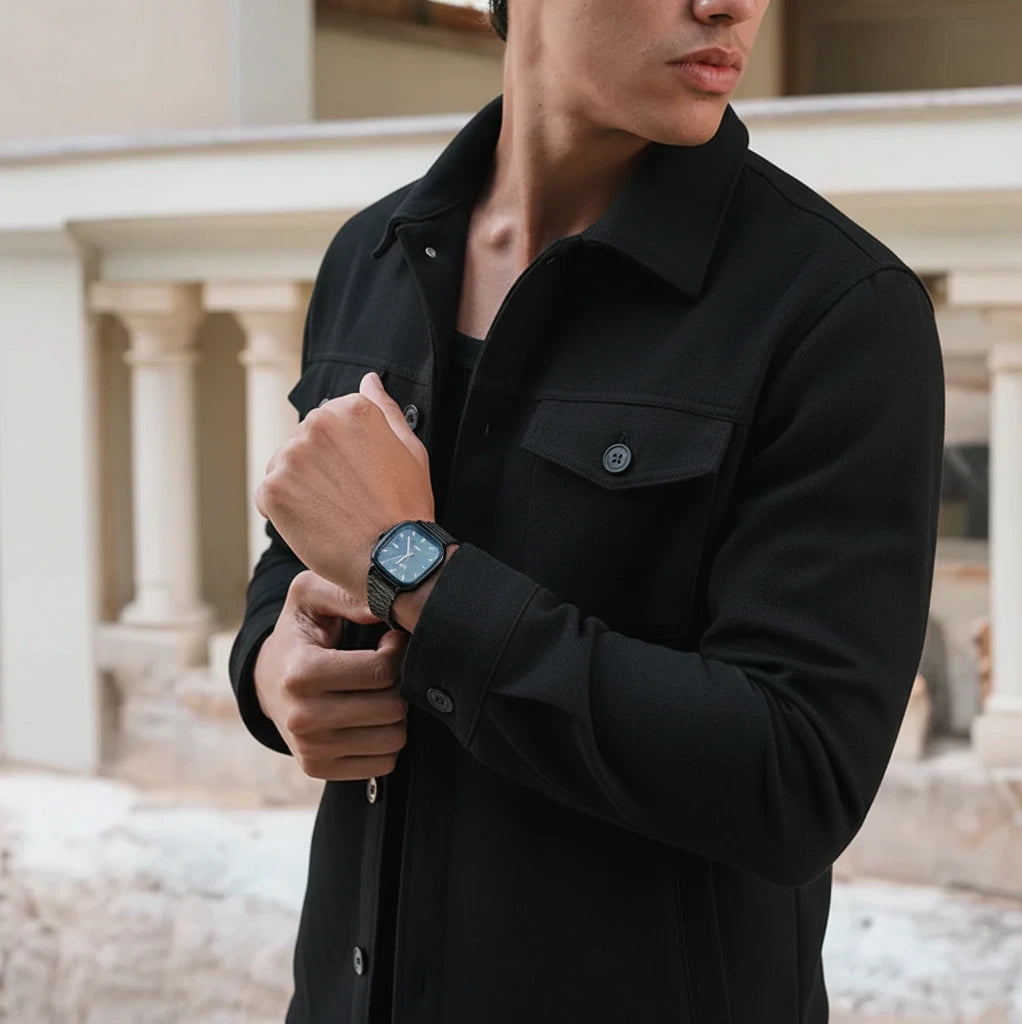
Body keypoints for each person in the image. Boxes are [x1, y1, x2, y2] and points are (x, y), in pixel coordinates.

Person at [229, 0, 945, 1020]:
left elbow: (796, 778)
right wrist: (270, 667)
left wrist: (412, 568)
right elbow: (300, 546)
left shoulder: (837, 310)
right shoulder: (372, 255)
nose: (731, 5)